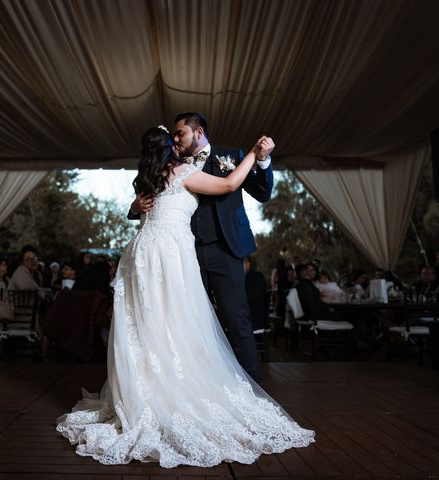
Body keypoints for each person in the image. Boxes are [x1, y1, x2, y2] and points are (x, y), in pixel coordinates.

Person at [57, 126, 313, 467]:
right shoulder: (182, 172)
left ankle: (145, 391)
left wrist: (135, 207)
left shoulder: (151, 176)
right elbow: (228, 184)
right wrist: (252, 152)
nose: (179, 143)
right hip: (167, 254)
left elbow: (148, 208)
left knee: (147, 325)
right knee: (174, 322)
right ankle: (168, 392)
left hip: (142, 253)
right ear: (169, 149)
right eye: (174, 139)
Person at [128, 113, 273, 382]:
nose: (174, 139)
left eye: (179, 133)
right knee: (190, 323)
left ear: (198, 132)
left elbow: (261, 193)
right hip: (183, 255)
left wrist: (260, 158)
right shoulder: (171, 165)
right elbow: (152, 203)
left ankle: (252, 387)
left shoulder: (230, 155)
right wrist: (134, 208)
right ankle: (203, 384)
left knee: (236, 320)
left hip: (224, 250)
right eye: (172, 135)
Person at [244, 256, 268, 331]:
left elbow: (252, 298)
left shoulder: (257, 277)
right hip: (246, 316)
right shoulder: (243, 277)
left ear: (247, 264)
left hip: (253, 319)